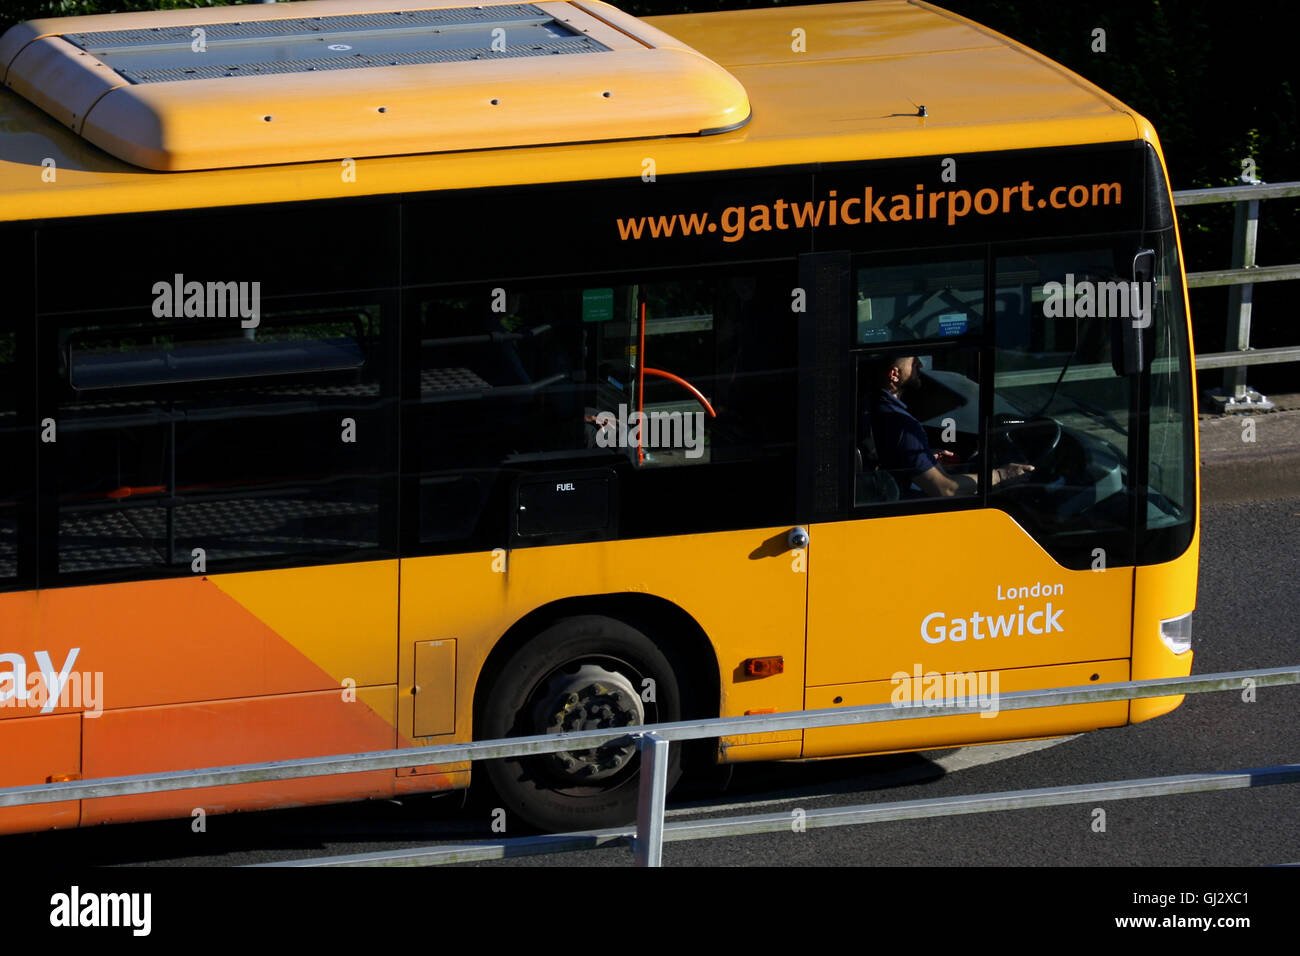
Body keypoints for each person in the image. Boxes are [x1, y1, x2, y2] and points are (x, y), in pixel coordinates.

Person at [865, 354, 1032, 497]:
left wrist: (924, 458)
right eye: (913, 362)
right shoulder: (901, 423)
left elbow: (891, 454)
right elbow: (946, 489)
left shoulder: (878, 407)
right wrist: (1001, 475)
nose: (920, 365)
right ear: (894, 374)